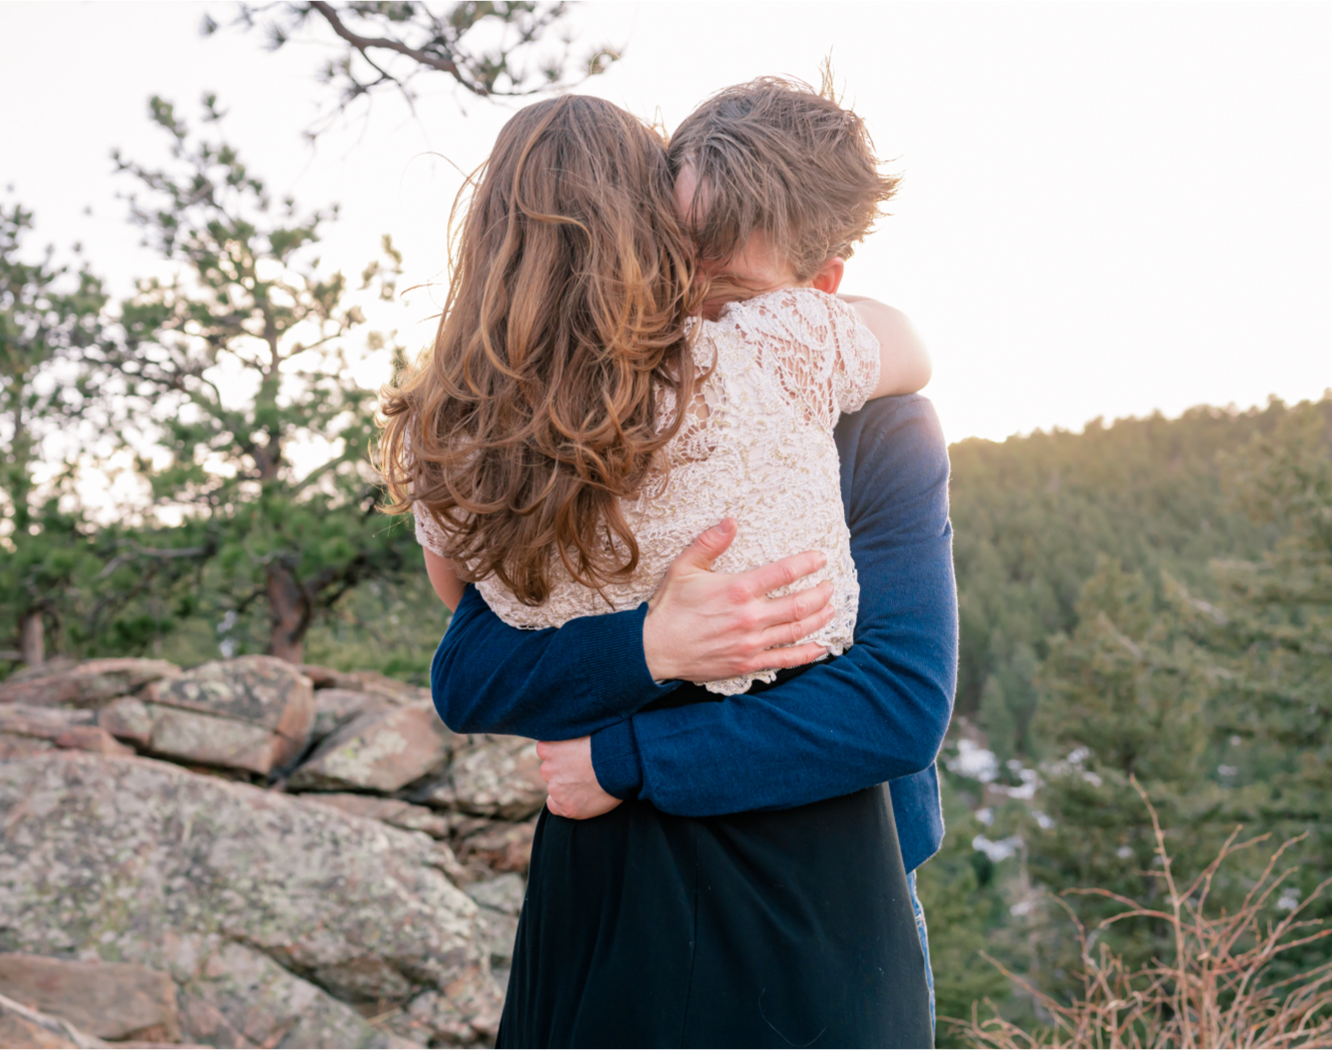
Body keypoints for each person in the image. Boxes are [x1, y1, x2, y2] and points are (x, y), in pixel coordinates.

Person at [386, 83, 954, 1048]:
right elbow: (471, 667)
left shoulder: (881, 424)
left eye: (727, 293)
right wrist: (647, 643)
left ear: (822, 286)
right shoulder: (598, 420)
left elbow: (896, 701)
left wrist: (626, 757)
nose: (689, 311)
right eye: (667, 259)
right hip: (623, 886)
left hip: (826, 881)